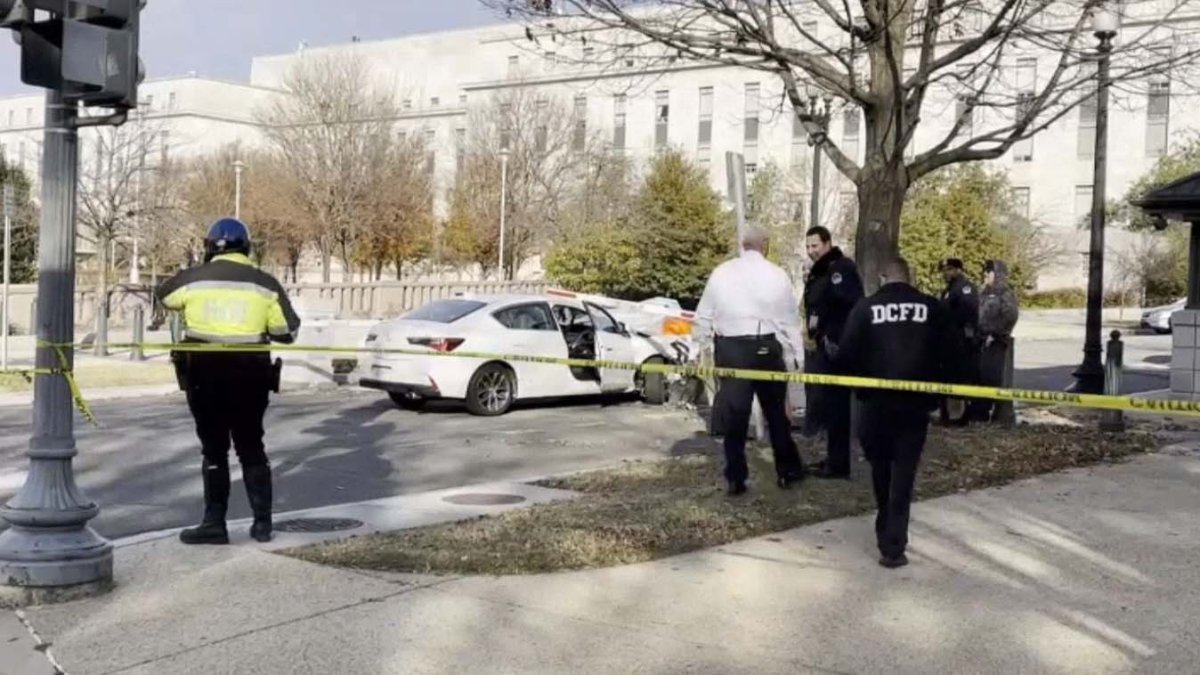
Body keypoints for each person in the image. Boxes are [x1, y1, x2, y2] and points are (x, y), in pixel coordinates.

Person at [156, 218, 301, 545]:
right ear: (247, 247)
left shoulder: (193, 280)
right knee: (251, 447)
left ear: (209, 246)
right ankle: (262, 525)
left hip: (203, 376)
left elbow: (164, 296)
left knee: (214, 450)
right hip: (250, 376)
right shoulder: (265, 283)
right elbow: (287, 332)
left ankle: (214, 524)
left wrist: (196, 272)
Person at [836, 257, 957, 568]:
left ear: (881, 277)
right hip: (915, 404)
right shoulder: (931, 308)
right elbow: (952, 353)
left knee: (880, 468)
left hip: (875, 405)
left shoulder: (865, 308)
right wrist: (946, 393)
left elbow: (847, 354)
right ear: (910, 276)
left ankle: (884, 526)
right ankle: (894, 545)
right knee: (904, 472)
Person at [695, 226, 807, 496]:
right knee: (777, 415)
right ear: (765, 245)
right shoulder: (776, 274)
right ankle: (787, 472)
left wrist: (698, 347)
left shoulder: (721, 273)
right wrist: (797, 355)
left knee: (736, 417)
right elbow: (790, 320)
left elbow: (704, 315)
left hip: (731, 348)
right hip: (765, 346)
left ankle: (736, 478)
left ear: (742, 245)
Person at [802, 226, 864, 479]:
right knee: (828, 405)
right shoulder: (822, 271)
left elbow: (848, 305)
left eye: (815, 246)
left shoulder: (840, 268)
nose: (811, 251)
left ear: (827, 243)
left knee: (837, 407)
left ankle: (838, 464)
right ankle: (833, 458)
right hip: (824, 344)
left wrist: (833, 337)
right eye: (807, 246)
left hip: (836, 347)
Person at [970, 259, 1020, 422]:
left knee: (990, 377)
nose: (985, 274)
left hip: (995, 342)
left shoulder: (1005, 293)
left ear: (997, 273)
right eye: (984, 270)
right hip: (980, 340)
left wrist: (996, 333)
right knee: (978, 377)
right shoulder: (983, 291)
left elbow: (1010, 316)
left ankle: (991, 412)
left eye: (989, 271)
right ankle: (978, 413)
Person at [938, 258, 980, 425]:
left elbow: (968, 314)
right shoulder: (949, 289)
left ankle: (962, 416)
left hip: (961, 341)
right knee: (947, 378)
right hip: (948, 341)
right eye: (944, 270)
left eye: (949, 269)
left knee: (961, 379)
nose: (945, 273)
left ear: (958, 270)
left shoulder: (965, 288)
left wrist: (966, 337)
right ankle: (947, 415)